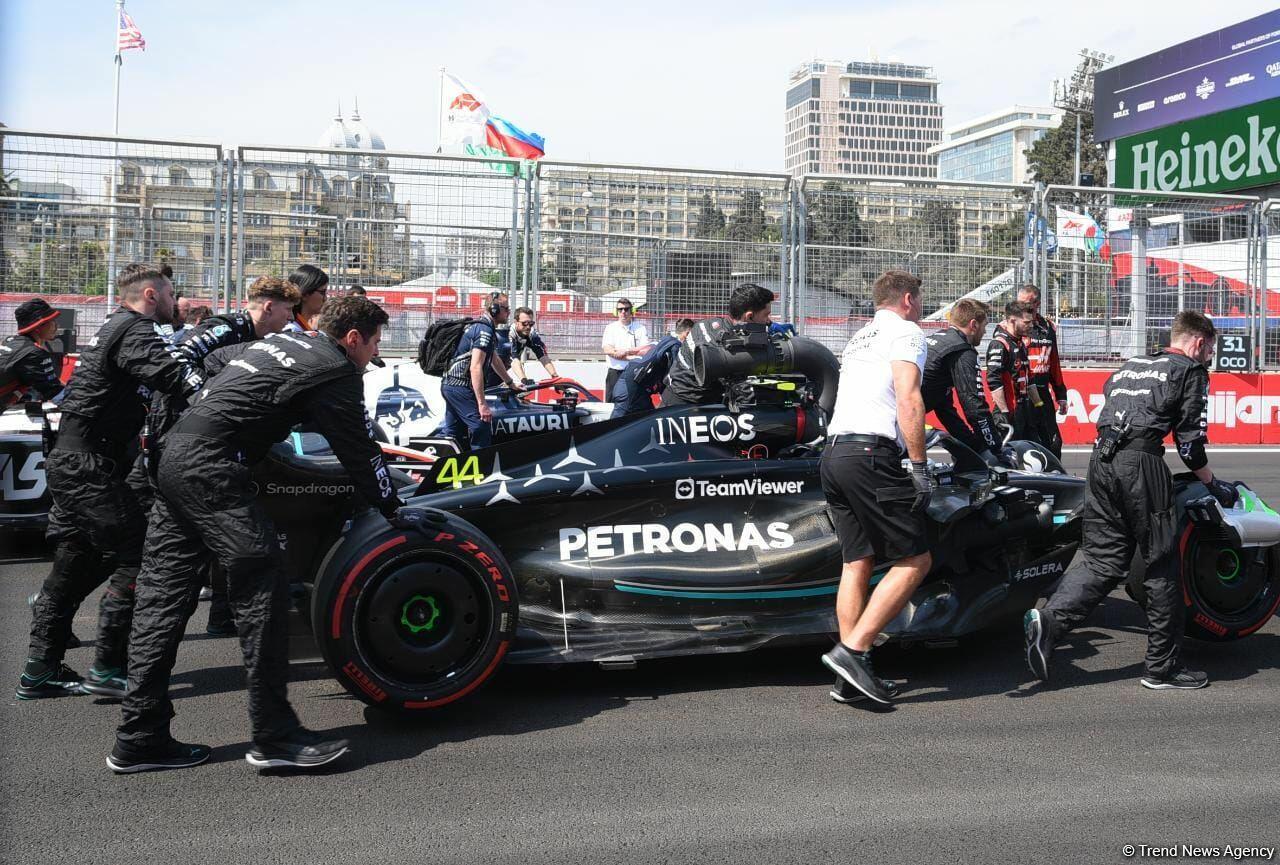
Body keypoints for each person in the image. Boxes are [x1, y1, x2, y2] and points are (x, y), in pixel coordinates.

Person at [111, 295, 408, 773]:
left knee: (161, 599)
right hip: (212, 469)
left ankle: (139, 737)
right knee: (264, 587)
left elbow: (209, 365)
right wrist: (394, 507)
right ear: (353, 338)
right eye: (374, 344)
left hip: (172, 458)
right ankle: (275, 736)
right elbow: (359, 450)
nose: (374, 354)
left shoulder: (276, 344)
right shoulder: (335, 368)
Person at [17, 264, 205, 701]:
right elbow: (175, 379)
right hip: (88, 464)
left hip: (76, 460)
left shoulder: (116, 326)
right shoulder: (135, 328)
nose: (175, 301)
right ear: (152, 295)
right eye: (170, 293)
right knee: (136, 553)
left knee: (75, 562)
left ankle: (40, 670)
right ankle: (108, 666)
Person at [1024, 311, 1238, 692]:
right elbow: (1189, 445)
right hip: (1140, 465)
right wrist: (1213, 483)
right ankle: (1162, 669)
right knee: (1162, 562)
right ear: (1199, 343)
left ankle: (1051, 622)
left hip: (1100, 462)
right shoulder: (1189, 370)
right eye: (1209, 351)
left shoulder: (1130, 365)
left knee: (1101, 560)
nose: (1209, 358)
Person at [819, 271, 934, 707]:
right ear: (907, 299)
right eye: (919, 299)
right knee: (915, 560)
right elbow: (909, 398)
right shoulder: (907, 332)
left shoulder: (860, 337)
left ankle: (851, 676)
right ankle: (853, 651)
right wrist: (919, 466)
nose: (920, 307)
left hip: (835, 453)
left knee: (857, 563)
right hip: (870, 454)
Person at [661, 283, 774, 407]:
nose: (769, 321)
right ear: (749, 316)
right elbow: (744, 394)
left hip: (671, 397)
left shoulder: (708, 323)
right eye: (766, 315)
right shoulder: (728, 349)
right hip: (687, 408)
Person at [922, 299, 1002, 463]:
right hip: (890, 424)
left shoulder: (938, 339)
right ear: (974, 325)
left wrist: (973, 446)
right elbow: (974, 406)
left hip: (883, 417)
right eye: (985, 326)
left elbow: (945, 409)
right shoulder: (962, 351)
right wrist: (995, 447)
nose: (985, 332)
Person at [439, 291, 521, 450]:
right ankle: (482, 464)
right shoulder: (484, 331)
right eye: (506, 308)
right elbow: (475, 367)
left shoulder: (482, 326)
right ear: (494, 310)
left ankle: (439, 460)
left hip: (450, 385)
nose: (509, 312)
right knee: (481, 425)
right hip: (459, 387)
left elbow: (494, 360)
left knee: (453, 432)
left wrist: (511, 383)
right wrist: (482, 404)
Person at [1018, 284, 1067, 458]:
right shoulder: (1010, 326)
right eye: (1019, 302)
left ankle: (1053, 474)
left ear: (1037, 304)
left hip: (1042, 392)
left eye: (1026, 303)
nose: (1021, 307)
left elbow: (1054, 362)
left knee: (1054, 442)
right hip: (1020, 394)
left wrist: (1061, 394)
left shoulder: (1048, 326)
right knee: (1021, 443)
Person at [610, 318, 693, 418]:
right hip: (632, 389)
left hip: (628, 382)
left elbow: (643, 350)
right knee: (619, 424)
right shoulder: (676, 346)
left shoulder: (665, 340)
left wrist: (627, 351)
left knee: (649, 420)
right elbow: (673, 376)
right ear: (687, 334)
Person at [0, 298, 66, 407]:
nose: (57, 325)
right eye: (52, 321)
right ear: (38, 327)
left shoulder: (10, 341)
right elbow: (56, 393)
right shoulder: (33, 353)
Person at [985, 300, 1035, 440]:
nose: (1031, 326)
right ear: (1012, 321)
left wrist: (1038, 405)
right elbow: (993, 380)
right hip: (1008, 411)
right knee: (1008, 451)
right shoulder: (999, 344)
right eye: (1026, 322)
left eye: (1031, 322)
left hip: (1024, 410)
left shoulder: (1020, 342)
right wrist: (1004, 412)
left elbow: (1029, 378)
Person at [601, 298, 649, 398]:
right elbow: (607, 350)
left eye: (626, 309)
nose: (623, 312)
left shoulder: (641, 328)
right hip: (615, 374)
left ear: (632, 311)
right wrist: (631, 357)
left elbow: (645, 350)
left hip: (634, 372)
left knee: (634, 404)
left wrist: (625, 351)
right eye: (620, 310)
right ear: (616, 312)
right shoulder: (610, 328)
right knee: (612, 404)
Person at [509, 307, 558, 384]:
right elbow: (514, 360)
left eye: (531, 323)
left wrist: (555, 377)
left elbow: (543, 356)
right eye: (524, 323)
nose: (528, 327)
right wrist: (524, 380)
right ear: (516, 322)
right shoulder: (510, 333)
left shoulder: (531, 333)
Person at [285, 264, 328, 332]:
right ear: (304, 294)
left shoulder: (303, 327)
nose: (325, 298)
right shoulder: (291, 329)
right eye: (322, 292)